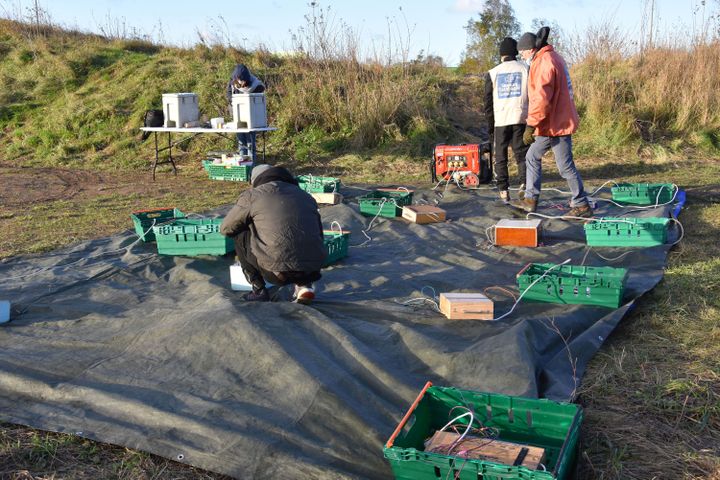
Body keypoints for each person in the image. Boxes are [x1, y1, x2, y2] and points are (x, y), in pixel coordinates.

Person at [512, 28, 593, 218]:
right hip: (553, 122)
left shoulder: (543, 62)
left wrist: (530, 125)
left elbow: (541, 99)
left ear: (530, 49)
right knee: (532, 156)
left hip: (556, 124)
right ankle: (530, 200)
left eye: (522, 52)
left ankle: (581, 205)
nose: (522, 56)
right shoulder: (553, 57)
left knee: (565, 166)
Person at [220, 164, 326, 304]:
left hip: (276, 273)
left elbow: (226, 228)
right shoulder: (306, 196)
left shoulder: (253, 195)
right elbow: (319, 232)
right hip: (312, 269)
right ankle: (304, 285)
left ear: (255, 181)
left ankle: (259, 290)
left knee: (240, 231)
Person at [483, 37, 529, 203]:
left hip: (500, 120)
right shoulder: (526, 68)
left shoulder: (493, 72)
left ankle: (503, 191)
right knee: (522, 154)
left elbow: (488, 104)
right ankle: (525, 184)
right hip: (521, 118)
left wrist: (490, 128)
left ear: (501, 54)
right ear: (515, 53)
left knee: (500, 156)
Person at [226, 64, 266, 158]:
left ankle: (251, 161)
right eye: (238, 79)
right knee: (241, 140)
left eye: (242, 80)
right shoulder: (233, 83)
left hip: (250, 117)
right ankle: (242, 161)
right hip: (237, 115)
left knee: (250, 140)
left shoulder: (256, 84)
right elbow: (228, 93)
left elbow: (260, 93)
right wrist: (233, 100)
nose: (240, 82)